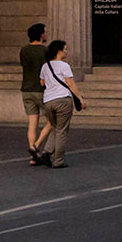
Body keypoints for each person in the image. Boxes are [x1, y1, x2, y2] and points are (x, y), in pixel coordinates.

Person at [38, 39, 85, 169]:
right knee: (62, 131)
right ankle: (58, 160)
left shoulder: (45, 65)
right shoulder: (64, 66)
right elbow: (70, 83)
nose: (67, 51)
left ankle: (47, 152)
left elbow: (42, 83)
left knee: (55, 127)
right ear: (59, 51)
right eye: (65, 49)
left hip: (48, 100)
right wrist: (80, 98)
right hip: (63, 99)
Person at [19, 23, 49, 163]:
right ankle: (36, 146)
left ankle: (33, 155)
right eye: (45, 32)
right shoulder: (45, 51)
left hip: (26, 88)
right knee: (52, 122)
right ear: (41, 35)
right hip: (42, 89)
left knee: (32, 124)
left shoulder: (24, 50)